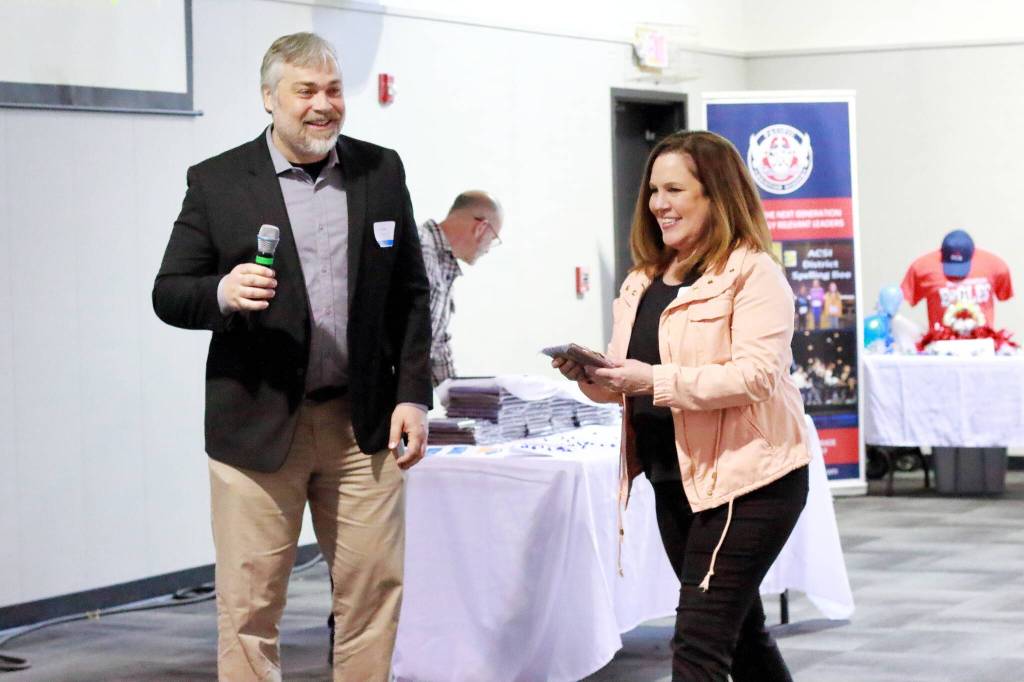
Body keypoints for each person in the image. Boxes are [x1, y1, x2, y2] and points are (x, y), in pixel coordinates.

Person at [152, 32, 432, 682]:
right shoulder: (219, 182)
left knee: (371, 596)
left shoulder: (380, 171)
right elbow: (170, 292)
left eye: (333, 90)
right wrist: (221, 291)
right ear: (269, 98)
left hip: (362, 427)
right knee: (250, 608)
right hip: (256, 427)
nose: (322, 105)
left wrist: (413, 394)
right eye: (305, 90)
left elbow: (411, 294)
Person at [552, 130, 809, 681]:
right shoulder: (643, 280)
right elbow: (630, 377)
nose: (658, 204)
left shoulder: (753, 272)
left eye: (675, 190)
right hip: (674, 479)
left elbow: (756, 376)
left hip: (749, 480)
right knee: (740, 638)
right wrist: (594, 378)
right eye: (653, 191)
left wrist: (652, 379)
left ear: (716, 196)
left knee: (697, 645)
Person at [419, 191, 504, 385]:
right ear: (481, 228)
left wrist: (460, 397)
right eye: (492, 240)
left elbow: (437, 343)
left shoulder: (443, 261)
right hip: (386, 397)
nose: (488, 249)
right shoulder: (420, 248)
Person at [901, 228, 1013, 329]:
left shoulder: (996, 267)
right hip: (940, 345)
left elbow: (1004, 295)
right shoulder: (921, 268)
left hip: (983, 344)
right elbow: (905, 300)